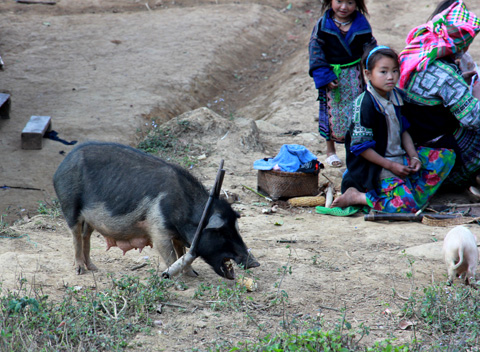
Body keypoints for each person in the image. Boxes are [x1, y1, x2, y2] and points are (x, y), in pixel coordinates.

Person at [331, 46, 456, 213]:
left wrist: (414, 157)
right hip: (376, 166)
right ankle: (358, 196)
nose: (391, 77)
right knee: (406, 207)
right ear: (368, 75)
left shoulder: (395, 95)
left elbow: (403, 130)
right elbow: (361, 148)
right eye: (383, 72)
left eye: (395, 71)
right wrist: (391, 165)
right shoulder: (364, 105)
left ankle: (410, 197)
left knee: (446, 157)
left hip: (399, 159)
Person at [398, 0, 480, 195]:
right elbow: (473, 119)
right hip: (439, 151)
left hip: (413, 142)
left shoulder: (415, 52)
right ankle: (468, 178)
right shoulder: (444, 74)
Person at [308, 0, 376, 168]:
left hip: (354, 75)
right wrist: (325, 76)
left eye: (350, 2)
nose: (344, 7)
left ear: (358, 4)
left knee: (356, 111)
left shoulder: (361, 24)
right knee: (331, 112)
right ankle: (330, 151)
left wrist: (371, 65)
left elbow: (369, 45)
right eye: (339, 1)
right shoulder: (323, 25)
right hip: (333, 76)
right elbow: (315, 50)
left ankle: (355, 148)